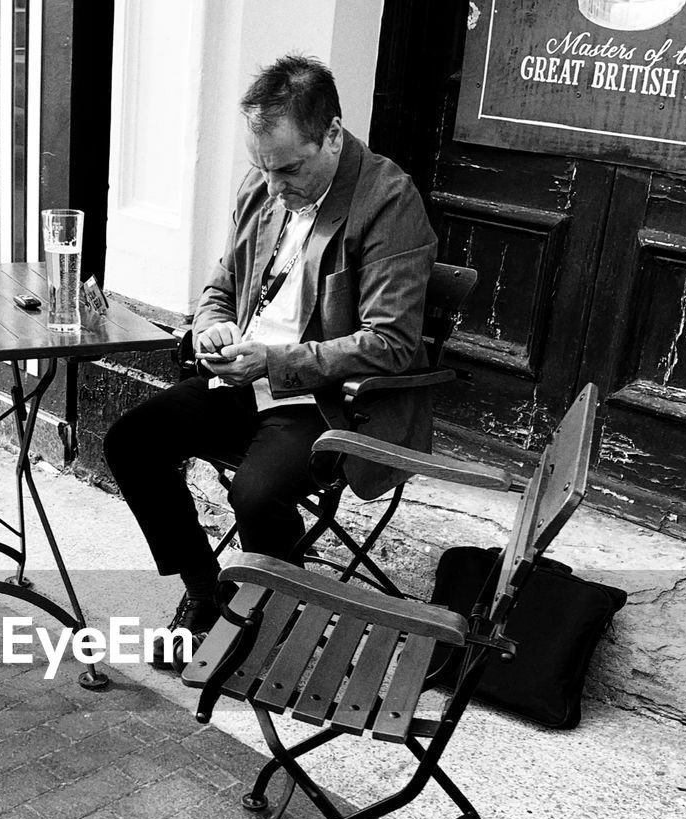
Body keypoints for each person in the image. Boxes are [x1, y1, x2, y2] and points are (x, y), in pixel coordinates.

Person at [103, 53, 437, 667]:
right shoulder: (262, 183)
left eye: (289, 169)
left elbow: (391, 344)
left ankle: (268, 618)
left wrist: (274, 362)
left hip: (330, 400)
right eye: (264, 168)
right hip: (243, 376)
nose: (274, 186)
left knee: (257, 494)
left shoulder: (389, 199)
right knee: (131, 440)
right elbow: (220, 285)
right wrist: (211, 326)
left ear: (332, 135)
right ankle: (208, 594)